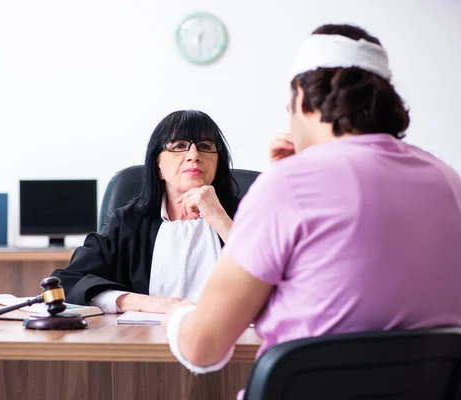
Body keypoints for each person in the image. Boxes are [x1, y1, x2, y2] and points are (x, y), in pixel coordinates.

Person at [164, 23, 461, 398]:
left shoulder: (289, 185)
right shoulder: (449, 182)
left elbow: (201, 348)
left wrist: (175, 316)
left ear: (302, 98)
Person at [51, 110, 242, 314]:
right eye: (178, 146)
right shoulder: (129, 222)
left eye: (205, 147)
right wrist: (144, 303)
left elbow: (275, 276)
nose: (194, 156)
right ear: (158, 165)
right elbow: (68, 282)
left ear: (218, 163)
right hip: (143, 338)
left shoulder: (248, 213)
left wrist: (220, 220)